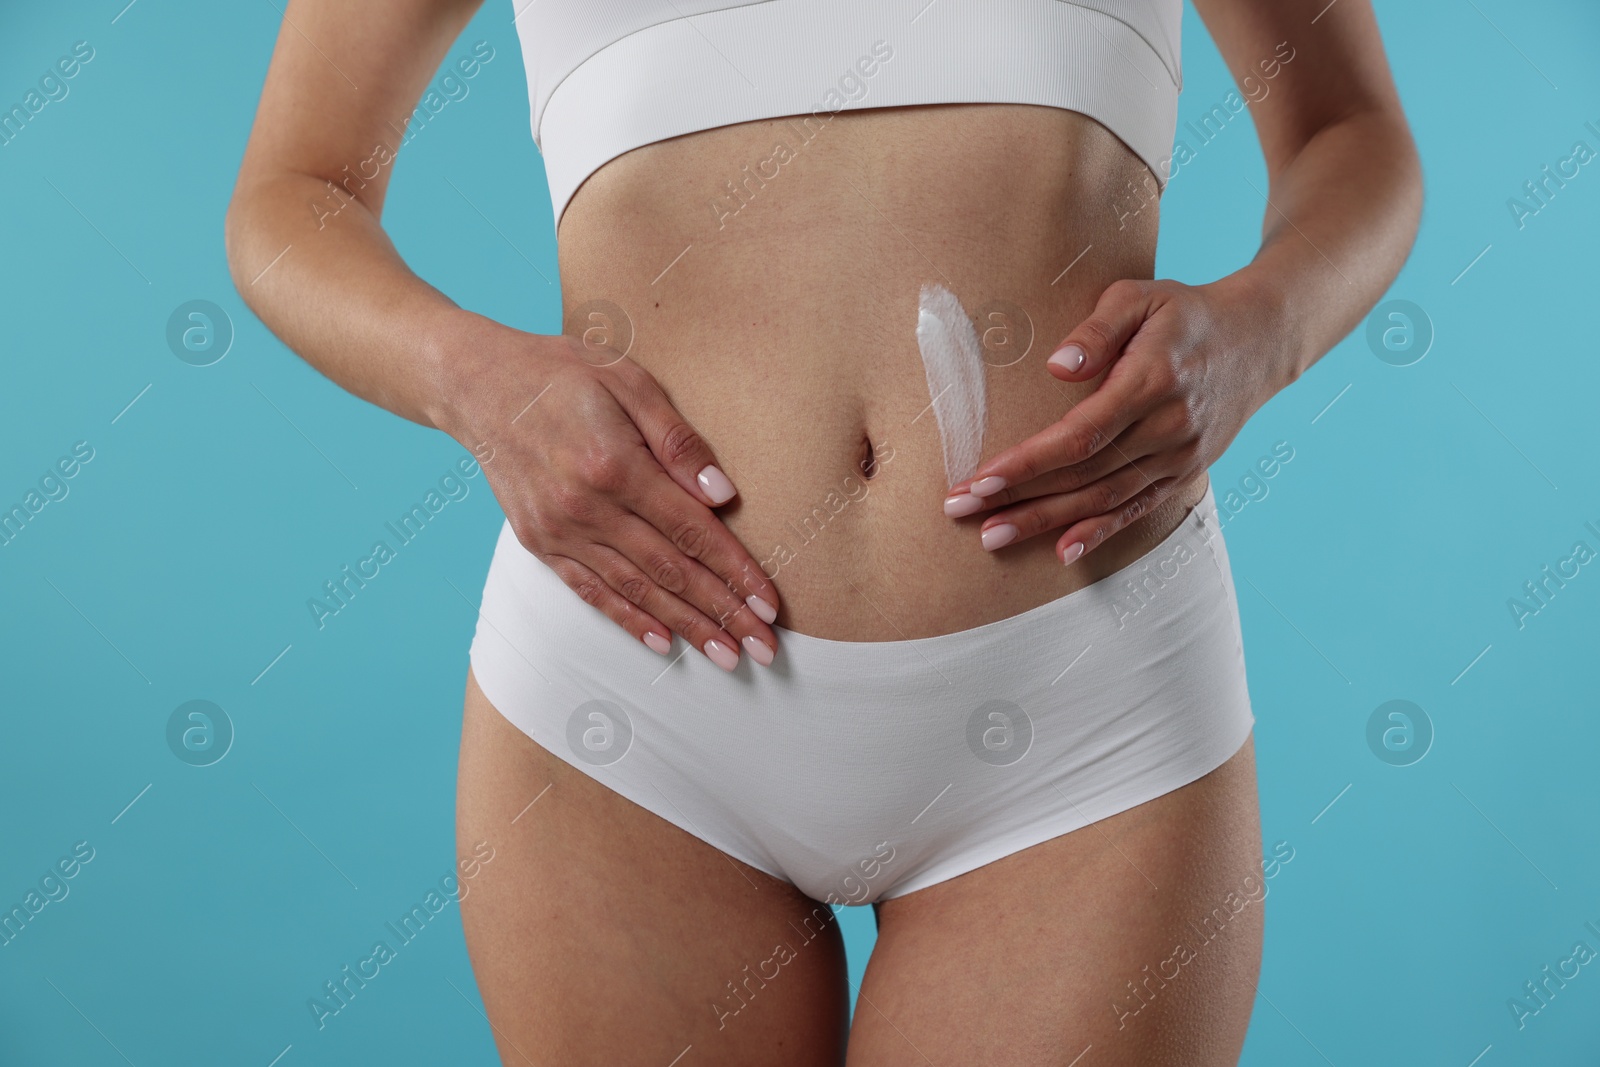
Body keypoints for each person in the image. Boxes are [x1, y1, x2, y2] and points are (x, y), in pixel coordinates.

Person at [225, 0, 1420, 1062]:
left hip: (1081, 713)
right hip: (630, 709)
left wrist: (1264, 329)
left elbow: (1348, 130)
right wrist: (475, 383)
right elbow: (294, 191)